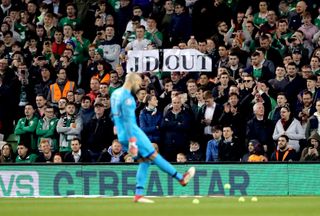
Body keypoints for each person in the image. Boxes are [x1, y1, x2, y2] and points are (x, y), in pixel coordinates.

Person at [110, 73, 195, 203]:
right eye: (138, 83)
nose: (139, 85)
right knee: (154, 156)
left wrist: (119, 129)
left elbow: (114, 114)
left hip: (121, 135)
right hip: (133, 133)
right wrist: (132, 142)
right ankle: (180, 178)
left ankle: (139, 193)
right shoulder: (128, 99)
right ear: (132, 81)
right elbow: (128, 121)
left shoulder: (115, 94)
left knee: (145, 161)